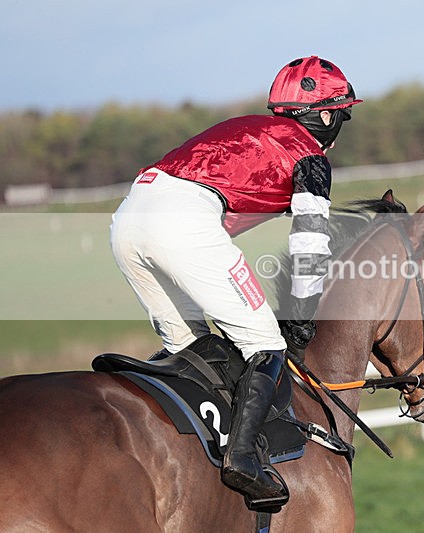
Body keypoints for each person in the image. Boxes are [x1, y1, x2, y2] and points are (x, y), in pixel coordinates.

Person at [109, 56, 361, 506]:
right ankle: (242, 458)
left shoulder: (246, 126)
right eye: (341, 114)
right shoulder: (312, 157)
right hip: (183, 224)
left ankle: (189, 450)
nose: (339, 125)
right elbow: (309, 242)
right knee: (267, 343)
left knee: (191, 347)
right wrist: (302, 317)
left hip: (127, 218)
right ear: (325, 115)